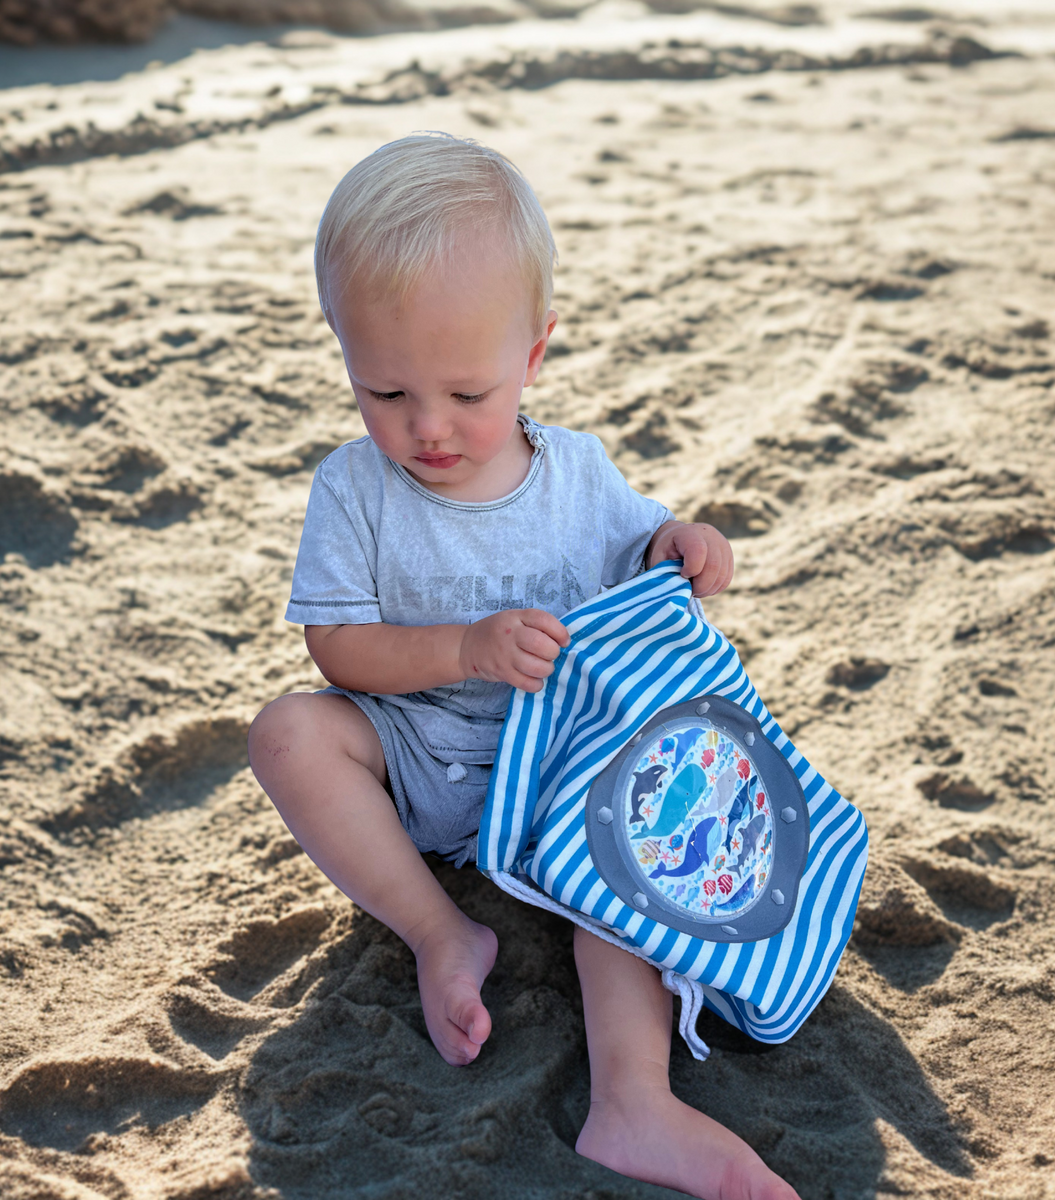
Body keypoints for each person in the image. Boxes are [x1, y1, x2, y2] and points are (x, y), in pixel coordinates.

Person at [248, 132, 798, 1200]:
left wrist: (686, 543)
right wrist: (462, 647)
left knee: (629, 874)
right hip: (414, 754)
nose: (427, 427)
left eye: (467, 393)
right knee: (287, 732)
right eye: (384, 391)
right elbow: (336, 647)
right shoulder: (354, 490)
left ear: (534, 354)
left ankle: (633, 1101)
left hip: (558, 770)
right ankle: (438, 931)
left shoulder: (577, 474)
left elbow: (648, 556)